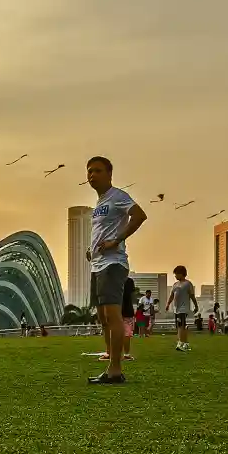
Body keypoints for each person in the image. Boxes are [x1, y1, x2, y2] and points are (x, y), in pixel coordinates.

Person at [84, 157, 148, 384]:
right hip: (98, 264)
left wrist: (116, 240)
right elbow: (102, 231)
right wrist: (92, 250)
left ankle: (115, 370)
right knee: (102, 317)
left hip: (113, 264)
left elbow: (140, 215)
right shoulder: (99, 204)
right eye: (89, 171)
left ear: (109, 174)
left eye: (98, 171)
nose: (92, 175)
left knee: (113, 317)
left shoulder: (118, 196)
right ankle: (111, 359)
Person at [166, 266, 199, 352]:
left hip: (183, 309)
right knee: (181, 327)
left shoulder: (188, 284)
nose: (175, 276)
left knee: (180, 326)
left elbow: (192, 296)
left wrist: (196, 305)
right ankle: (186, 343)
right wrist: (168, 304)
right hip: (176, 309)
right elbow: (171, 296)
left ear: (181, 274)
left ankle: (180, 343)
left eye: (176, 274)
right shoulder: (175, 285)